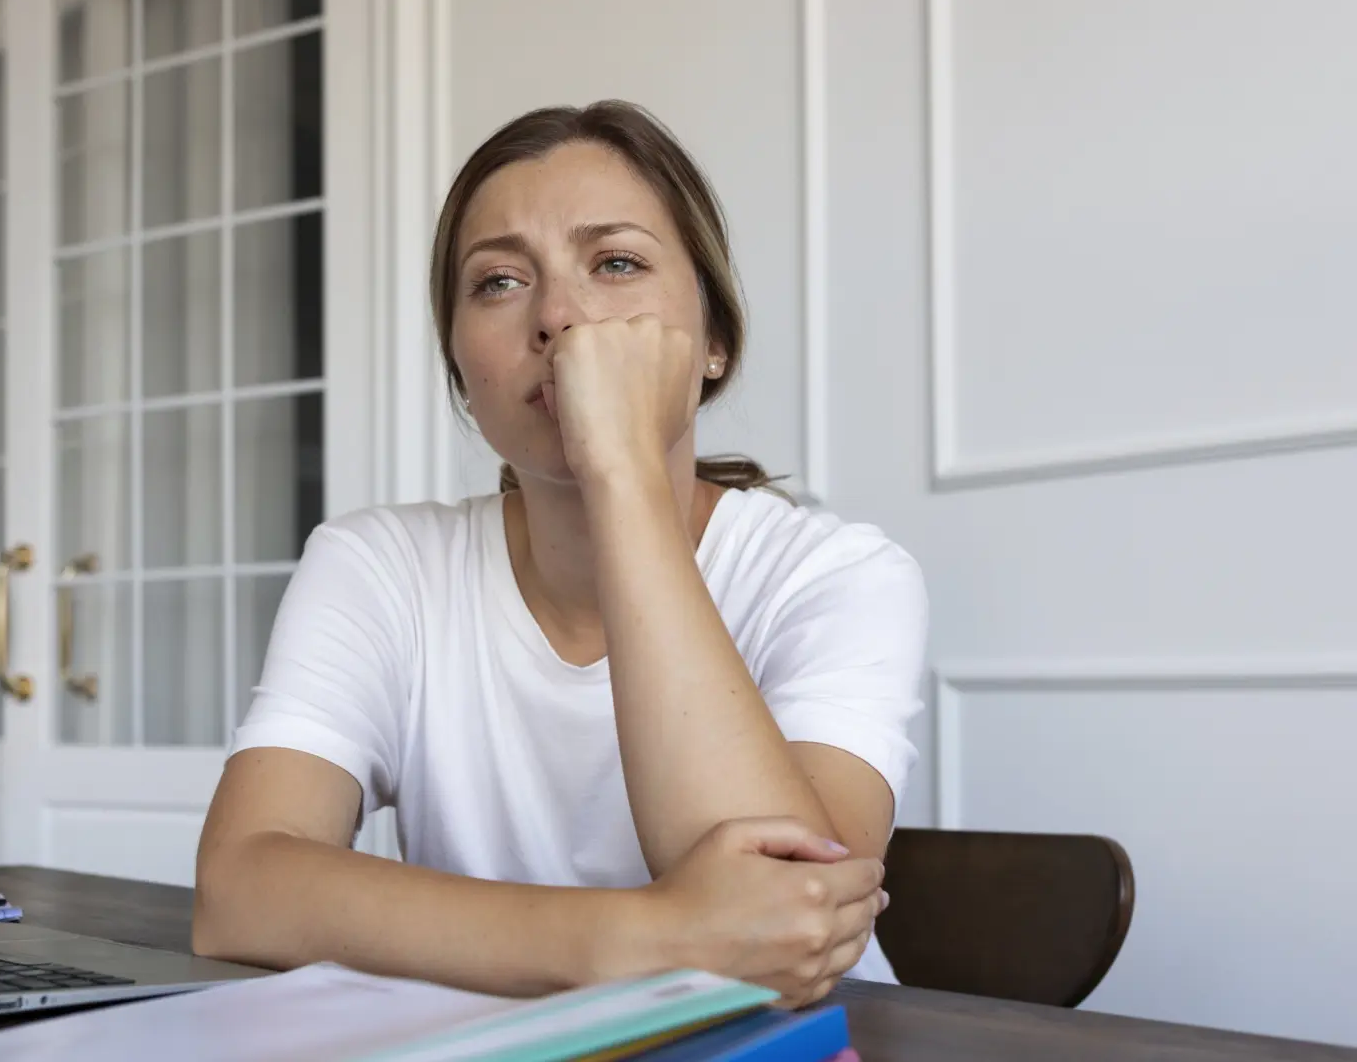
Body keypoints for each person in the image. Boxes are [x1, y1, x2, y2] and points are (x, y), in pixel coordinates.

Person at [193, 100, 927, 1008]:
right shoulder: (375, 565)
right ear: (463, 371)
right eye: (499, 282)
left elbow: (787, 918)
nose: (559, 318)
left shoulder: (839, 576)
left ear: (713, 342)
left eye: (615, 263)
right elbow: (241, 892)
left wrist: (618, 466)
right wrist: (649, 937)